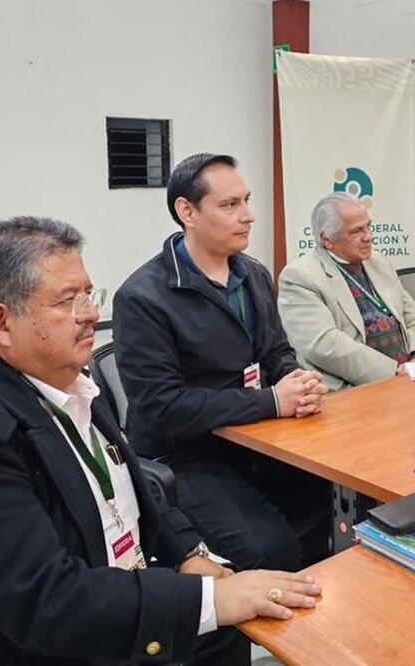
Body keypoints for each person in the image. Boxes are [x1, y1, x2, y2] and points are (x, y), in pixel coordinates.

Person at [0, 217, 321, 666]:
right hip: (29, 642)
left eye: (89, 294)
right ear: (1, 323)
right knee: (214, 616)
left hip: (100, 595)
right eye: (68, 300)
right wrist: (208, 601)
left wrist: (189, 553)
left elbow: (132, 484)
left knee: (223, 627)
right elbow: (47, 601)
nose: (90, 313)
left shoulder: (68, 381)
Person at [113, 153, 330, 574]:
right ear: (187, 211)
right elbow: (162, 406)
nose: (248, 216)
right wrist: (271, 401)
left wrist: (296, 380)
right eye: (229, 205)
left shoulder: (253, 274)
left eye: (246, 200)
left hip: (257, 438)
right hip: (186, 457)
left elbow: (275, 352)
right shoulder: (143, 297)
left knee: (339, 498)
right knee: (270, 547)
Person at [278, 192, 415, 390]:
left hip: (408, 376)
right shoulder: (300, 276)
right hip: (354, 389)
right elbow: (326, 345)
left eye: (369, 226)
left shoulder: (379, 262)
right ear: (327, 239)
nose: (369, 237)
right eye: (356, 231)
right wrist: (393, 372)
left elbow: (414, 318)